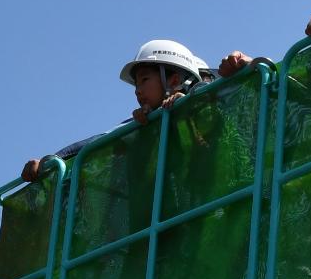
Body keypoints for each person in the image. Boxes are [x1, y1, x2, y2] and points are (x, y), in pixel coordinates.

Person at [16, 40, 213, 182]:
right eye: (136, 84)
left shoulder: (208, 107)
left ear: (174, 81)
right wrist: (51, 160)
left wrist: (184, 111)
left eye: (145, 80)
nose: (137, 90)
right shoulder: (141, 123)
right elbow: (98, 141)